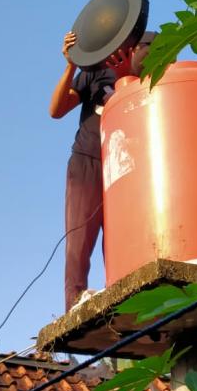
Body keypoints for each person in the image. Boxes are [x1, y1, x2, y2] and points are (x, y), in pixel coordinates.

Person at [49, 29, 156, 310]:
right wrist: (71, 64)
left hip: (127, 165)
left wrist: (127, 78)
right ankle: (74, 302)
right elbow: (56, 110)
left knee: (123, 236)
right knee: (79, 237)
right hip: (88, 160)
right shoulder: (96, 73)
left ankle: (122, 293)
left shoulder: (153, 82)